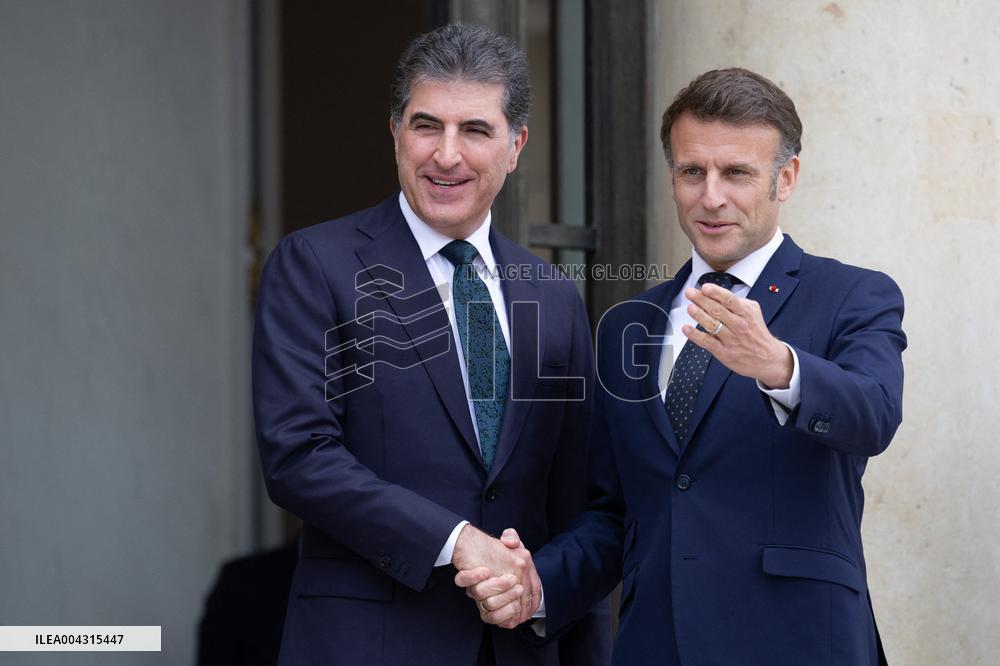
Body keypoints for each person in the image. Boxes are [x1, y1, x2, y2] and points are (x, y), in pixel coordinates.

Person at [459, 68, 905, 665]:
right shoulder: (626, 326)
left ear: (786, 178)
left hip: (800, 640)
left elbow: (873, 414)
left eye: (737, 173)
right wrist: (539, 583)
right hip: (657, 641)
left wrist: (777, 364)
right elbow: (619, 512)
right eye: (692, 172)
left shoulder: (853, 295)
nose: (711, 196)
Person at [252, 23, 609, 666]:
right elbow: (298, 456)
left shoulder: (552, 294)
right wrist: (455, 540)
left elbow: (577, 502)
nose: (447, 156)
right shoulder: (314, 264)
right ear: (395, 132)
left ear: (516, 145)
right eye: (426, 126)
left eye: (475, 130)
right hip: (367, 647)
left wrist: (543, 592)